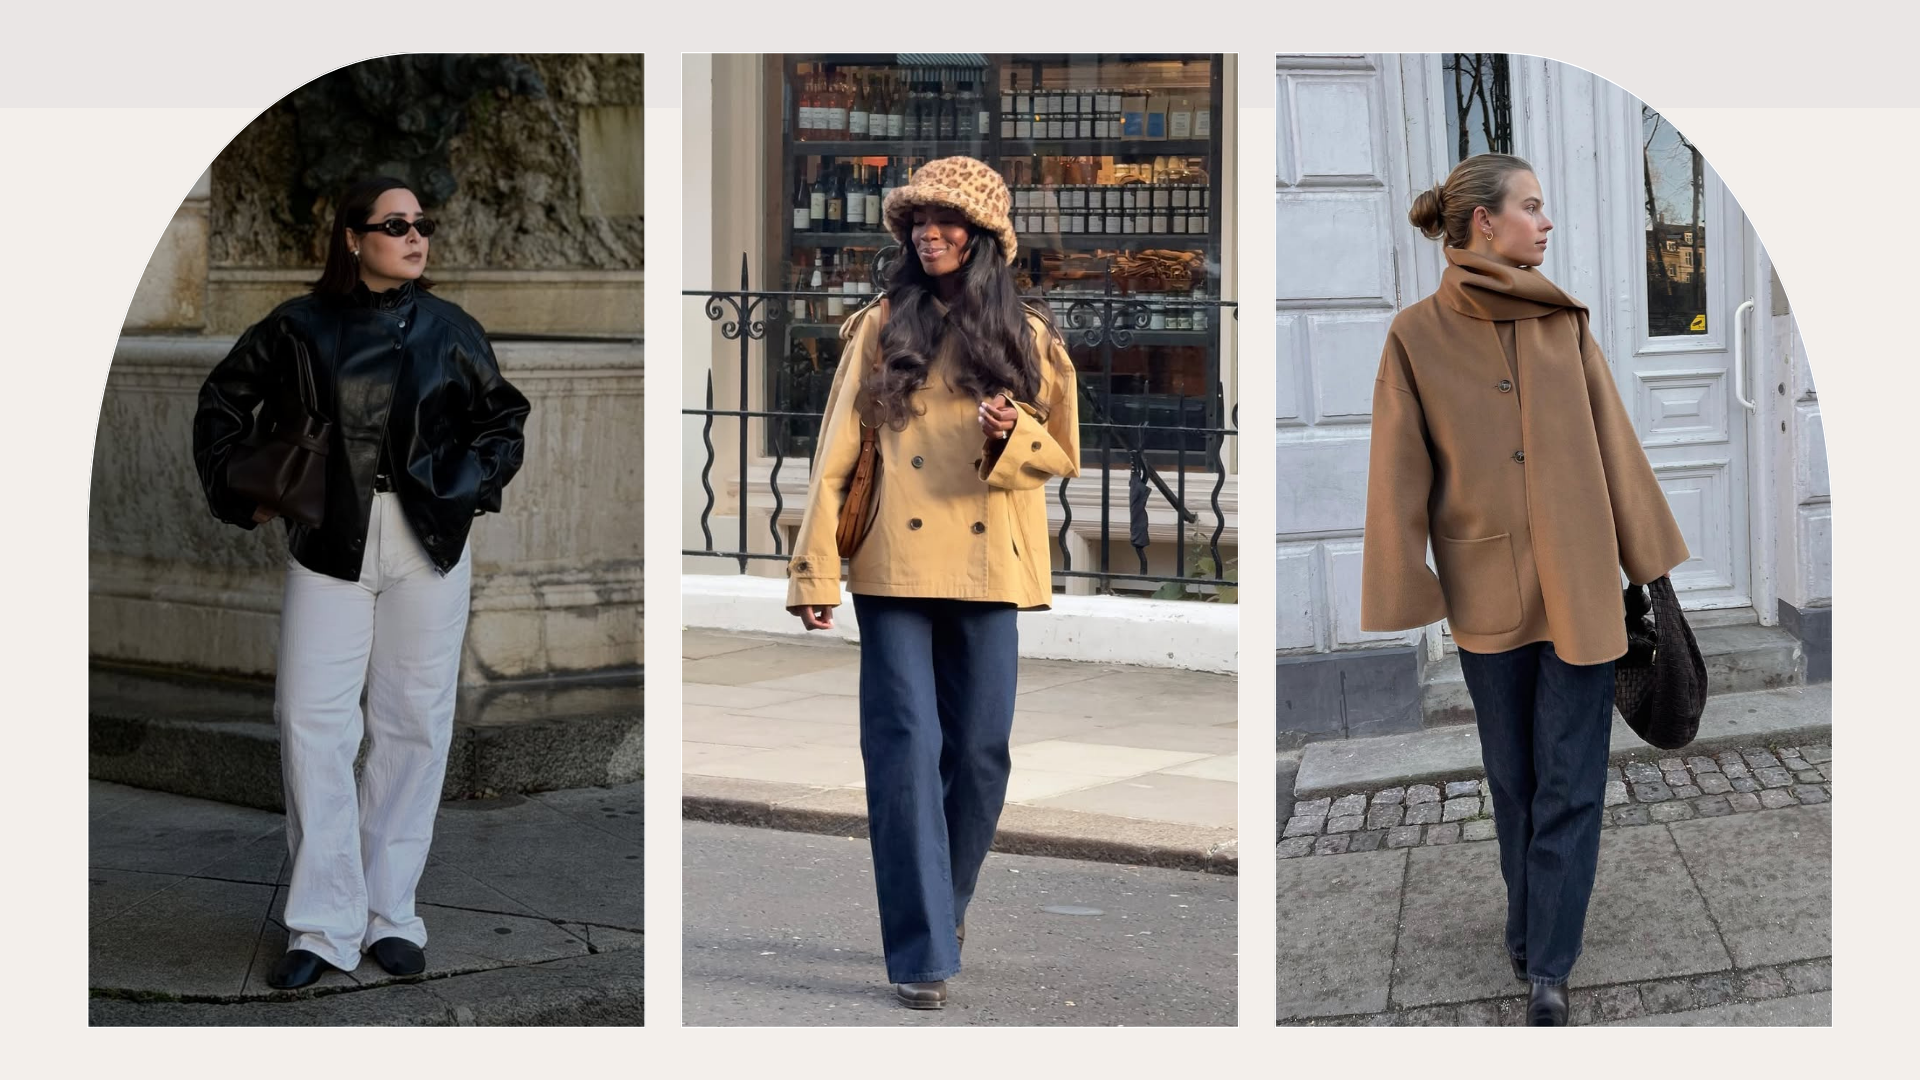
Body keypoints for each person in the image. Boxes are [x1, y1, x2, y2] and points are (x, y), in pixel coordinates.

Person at [1359, 153, 1689, 1026]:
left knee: (1572, 777)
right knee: (1513, 778)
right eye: (1531, 208)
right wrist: (1405, 581)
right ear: (1483, 224)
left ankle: (1550, 962)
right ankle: (1527, 922)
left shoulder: (1562, 323)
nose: (1545, 224)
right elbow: (1397, 471)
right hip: (1485, 591)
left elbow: (1615, 443)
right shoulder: (1414, 335)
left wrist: (1648, 564)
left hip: (1580, 584)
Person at [193, 176, 530, 991]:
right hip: (331, 547)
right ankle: (322, 924)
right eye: (395, 225)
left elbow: (501, 422)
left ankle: (390, 915)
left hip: (427, 547)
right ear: (352, 237)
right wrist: (251, 489)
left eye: (422, 224)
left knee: (413, 726)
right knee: (311, 725)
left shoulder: (452, 329)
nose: (416, 237)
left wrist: (464, 487)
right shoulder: (298, 327)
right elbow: (222, 406)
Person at [784, 156, 1080, 1010]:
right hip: (894, 564)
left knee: (982, 754)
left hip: (991, 566)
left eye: (948, 220)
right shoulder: (882, 324)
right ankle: (921, 950)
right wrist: (816, 571)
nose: (930, 233)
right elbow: (836, 454)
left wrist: (1010, 428)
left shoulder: (1028, 334)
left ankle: (942, 911)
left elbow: (1060, 454)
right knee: (907, 748)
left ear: (984, 237)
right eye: (918, 221)